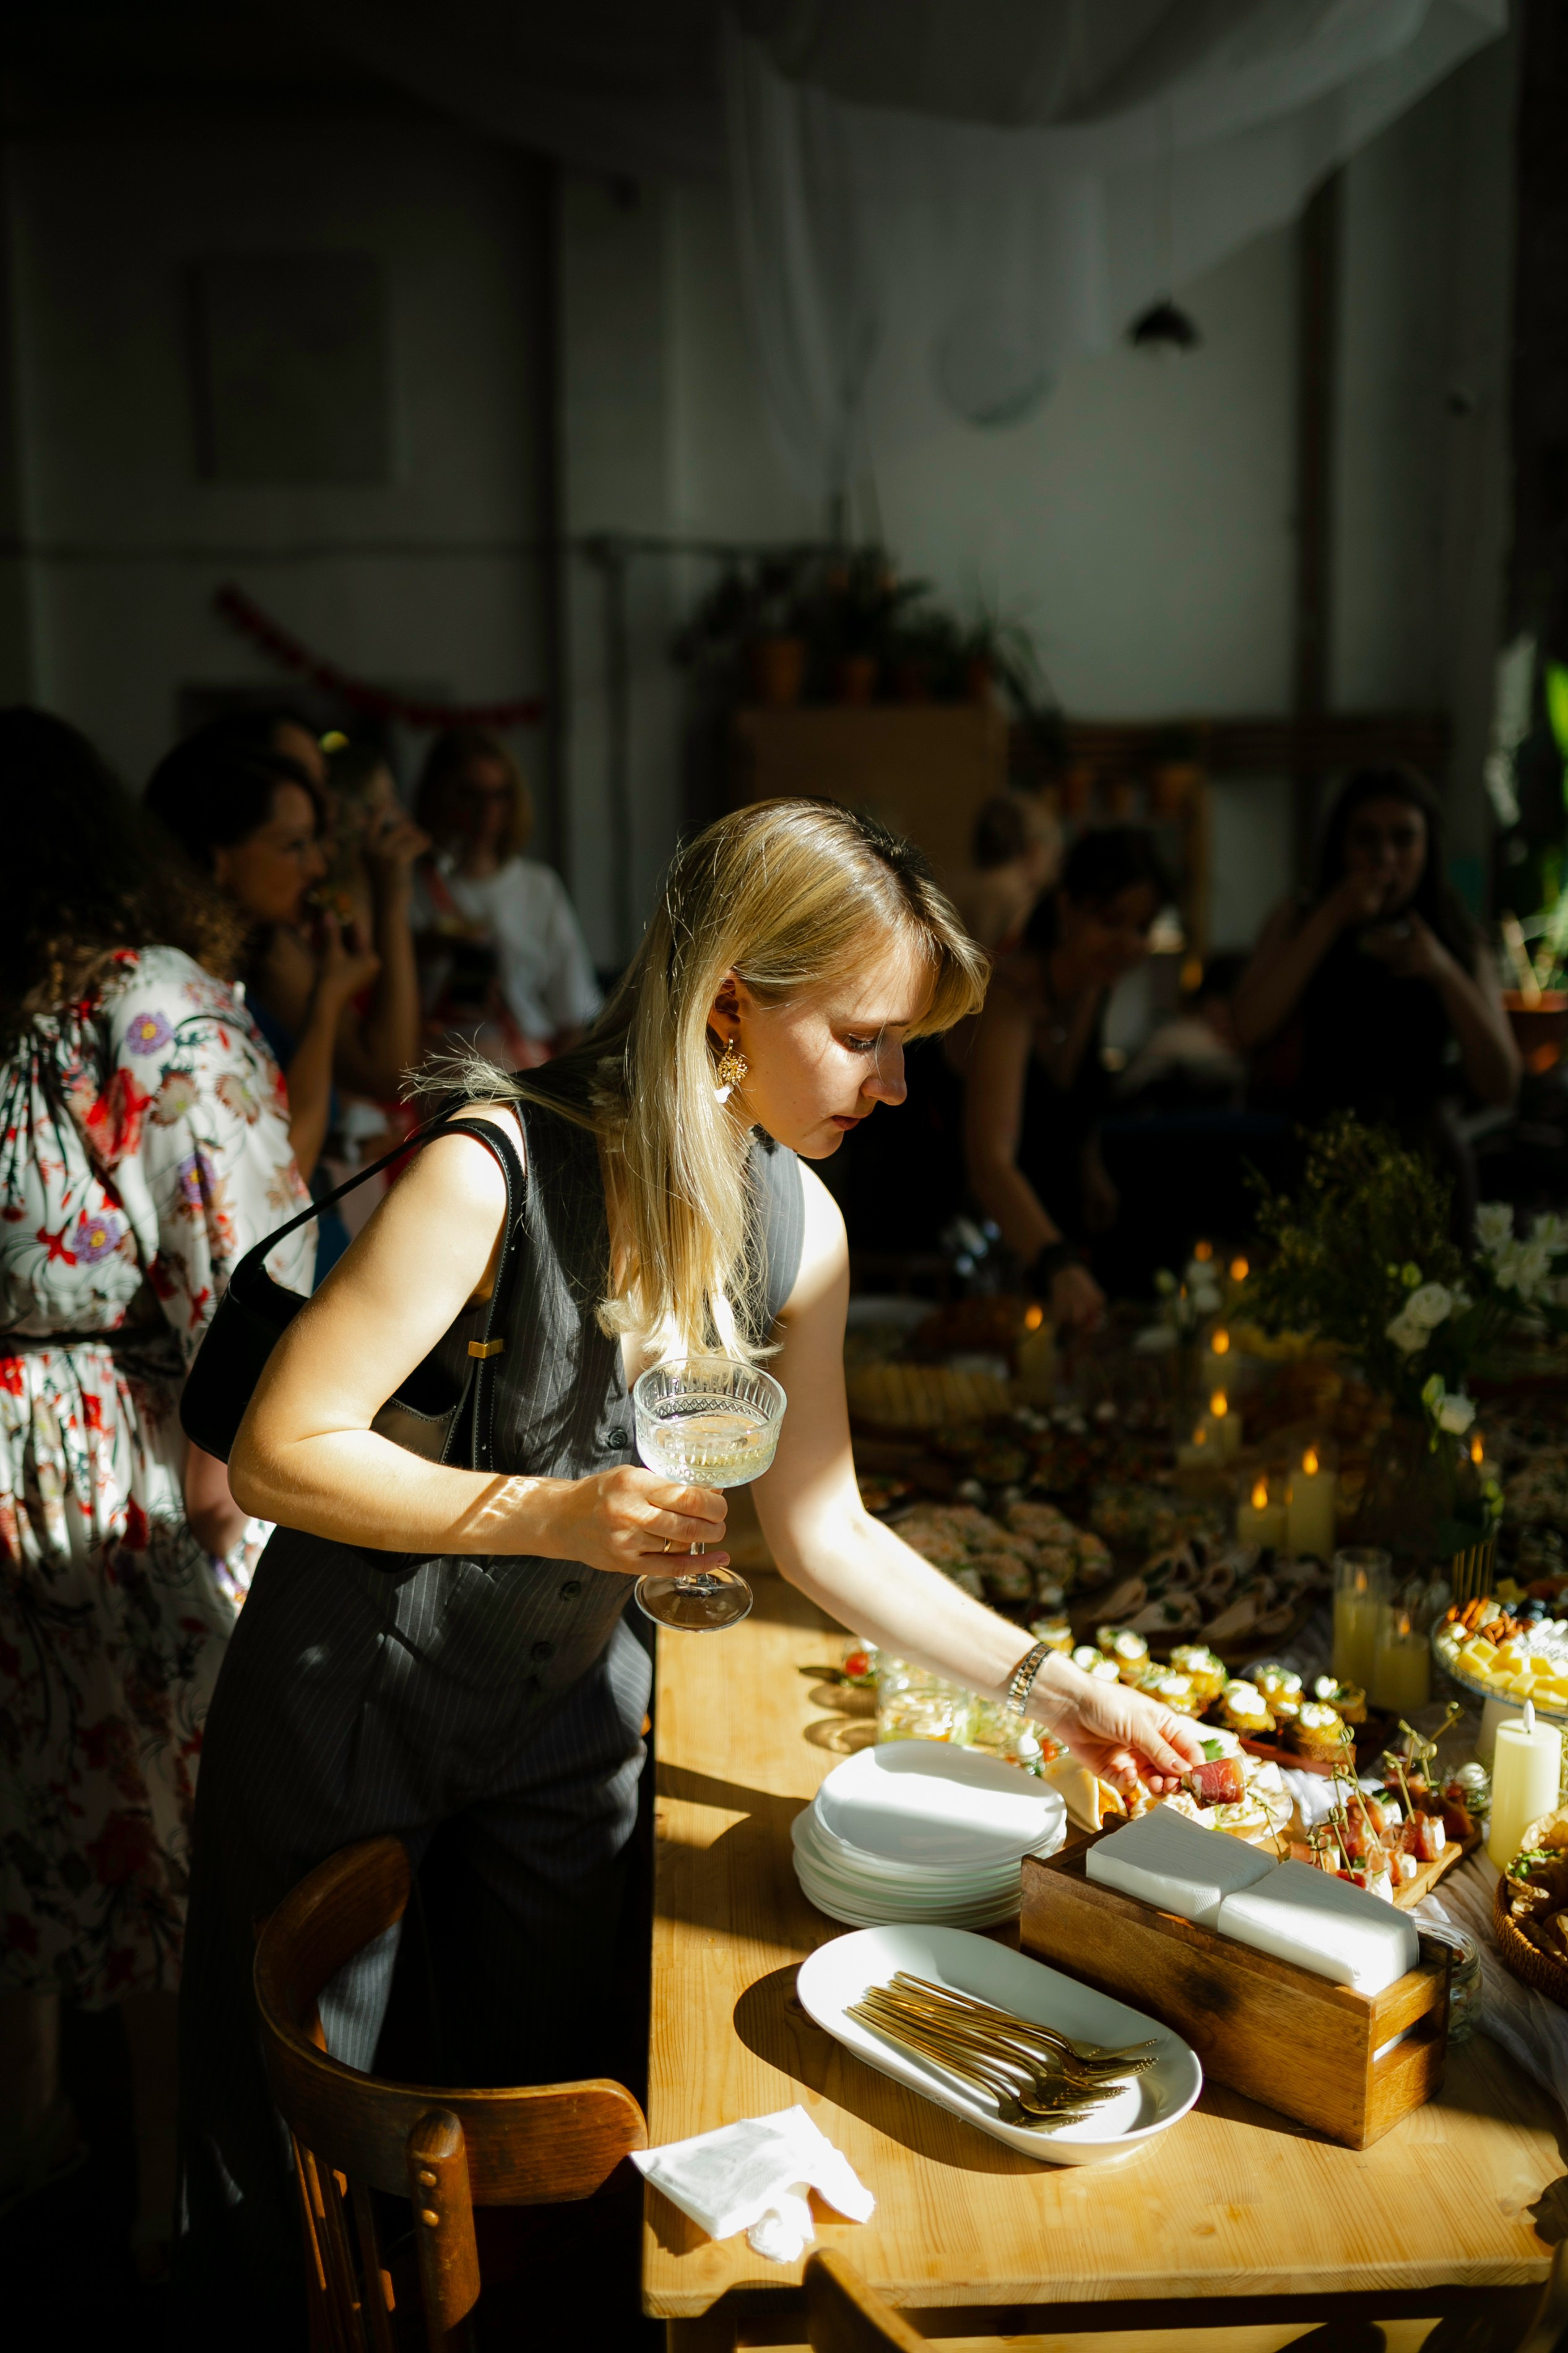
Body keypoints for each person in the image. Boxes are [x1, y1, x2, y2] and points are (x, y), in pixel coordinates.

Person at [176, 799, 1203, 2335]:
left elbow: (823, 1526)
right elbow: (278, 1449)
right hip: (348, 1698)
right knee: (299, 2173)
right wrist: (550, 1512)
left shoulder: (803, 1220)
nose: (898, 1082)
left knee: (551, 2134)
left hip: (562, 1724)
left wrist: (1056, 1688)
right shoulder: (487, 1167)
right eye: (864, 1036)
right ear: (730, 997)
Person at [0, 711, 314, 2274]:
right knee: (171, 1847)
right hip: (123, 1462)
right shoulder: (159, 1012)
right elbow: (251, 1274)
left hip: (17, 1461)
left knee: (40, 1832)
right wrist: (241, 1473)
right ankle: (169, 2217)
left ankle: (34, 2156)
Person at [1234, 767, 1518, 1211]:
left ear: (1427, 847)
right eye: (1365, 839)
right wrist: (1330, 918)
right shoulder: (1300, 917)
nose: (1384, 856)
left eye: (1403, 839)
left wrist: (1442, 971)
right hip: (1321, 1160)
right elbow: (1248, 1027)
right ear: (1340, 845)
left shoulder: (1455, 936)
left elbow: (1501, 1084)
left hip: (1426, 1166)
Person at [145, 730, 424, 1181]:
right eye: (294, 845)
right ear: (217, 857)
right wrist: (328, 1004)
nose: (317, 865)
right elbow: (278, 1169)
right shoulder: (177, 993)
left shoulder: (264, 949)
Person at [964, 827, 1171, 1333]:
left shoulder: (1091, 989)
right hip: (964, 1245)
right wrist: (1057, 1262)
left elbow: (1072, 1098)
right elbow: (988, 1162)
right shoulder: (1009, 998)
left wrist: (1088, 1162)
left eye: (1142, 927)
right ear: (1065, 909)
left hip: (1030, 1241)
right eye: (1111, 920)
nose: (1129, 943)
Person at [412, 726, 600, 1066]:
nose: (487, 811)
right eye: (470, 795)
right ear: (441, 795)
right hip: (435, 1066)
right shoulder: (413, 887)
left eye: (500, 795)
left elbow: (573, 1013)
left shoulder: (537, 886)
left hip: (522, 1064)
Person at [951, 789, 1062, 953]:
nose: (1053, 869)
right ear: (1035, 851)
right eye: (1054, 857)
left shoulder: (952, 887)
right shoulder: (1021, 903)